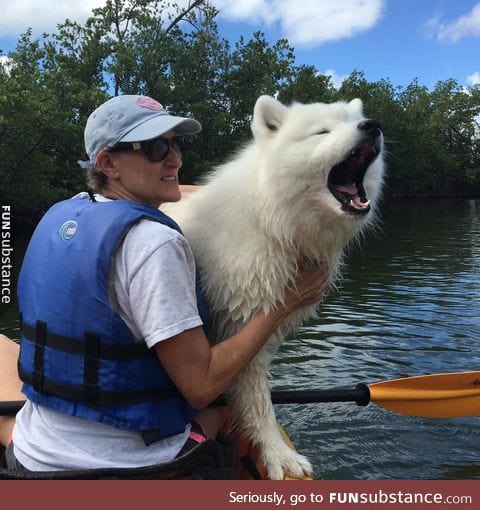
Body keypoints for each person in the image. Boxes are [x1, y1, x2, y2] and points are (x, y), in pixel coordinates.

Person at [2, 95, 328, 475]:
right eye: (156, 148)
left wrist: (238, 194)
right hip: (138, 470)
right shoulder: (154, 243)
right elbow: (200, 385)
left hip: (30, 456)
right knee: (219, 403)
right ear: (108, 163)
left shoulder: (64, 214)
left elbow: (183, 191)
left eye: (176, 144)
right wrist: (286, 303)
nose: (175, 159)